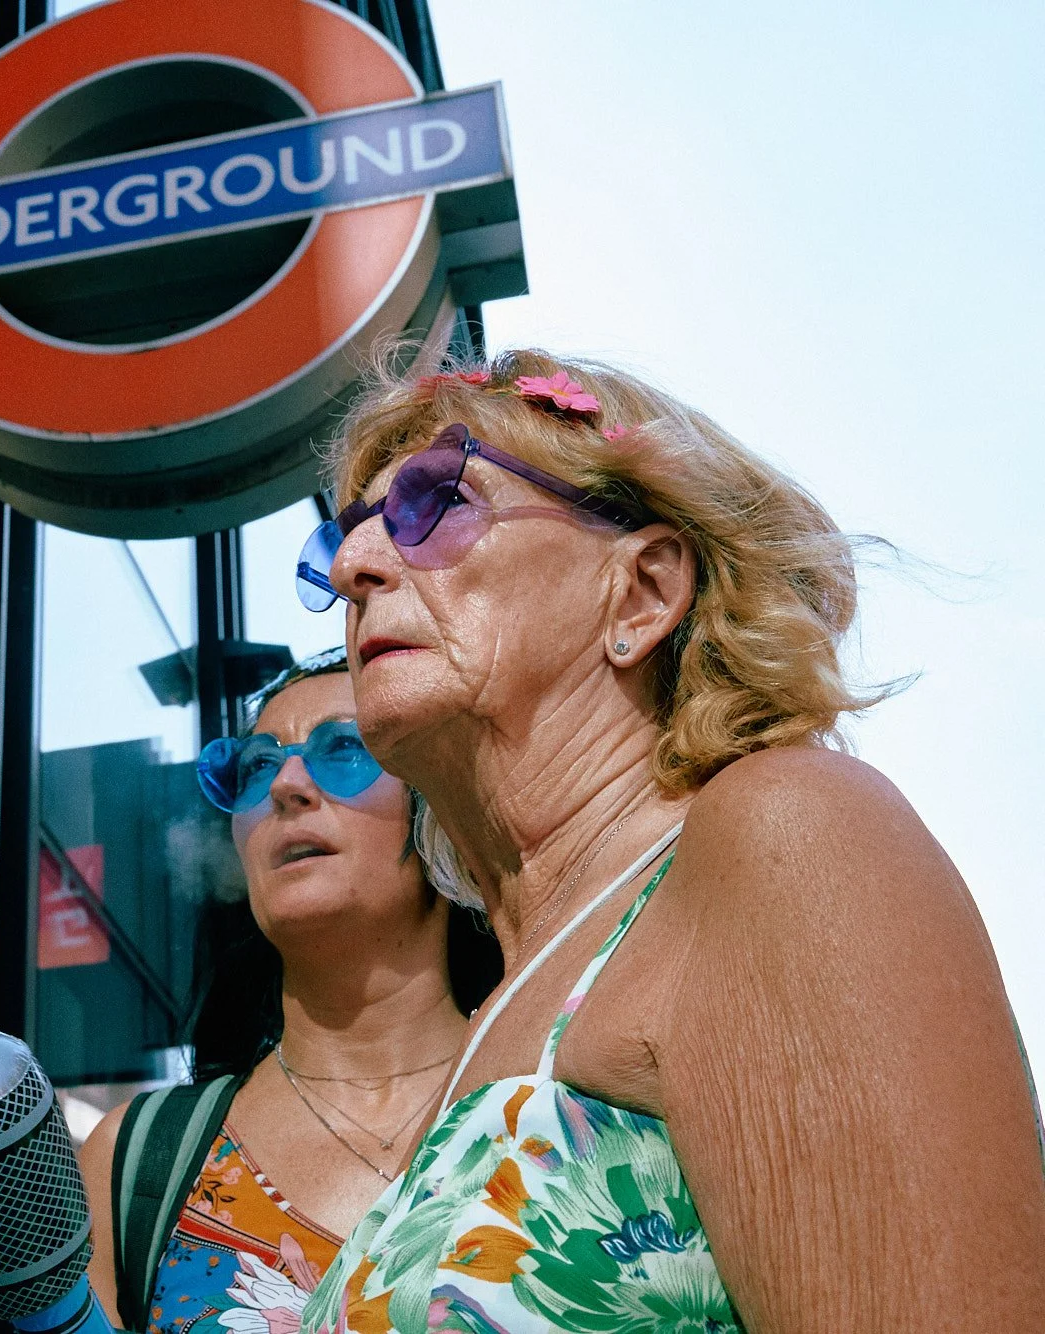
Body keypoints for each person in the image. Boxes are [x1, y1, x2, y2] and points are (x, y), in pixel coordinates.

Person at [289, 351, 1045, 1331]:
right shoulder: (497, 1006)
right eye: (343, 539)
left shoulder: (786, 830)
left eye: (437, 503)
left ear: (640, 593)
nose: (353, 567)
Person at [77, 649, 502, 1333]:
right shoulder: (134, 1159)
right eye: (256, 766)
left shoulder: (563, 1084)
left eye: (344, 748)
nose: (287, 786)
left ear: (440, 807)